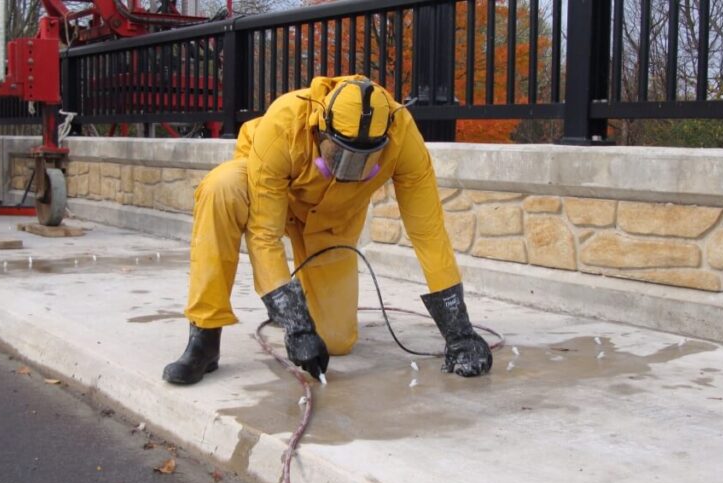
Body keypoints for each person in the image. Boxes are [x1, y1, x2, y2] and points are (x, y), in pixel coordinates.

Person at [164, 75, 492, 385]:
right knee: (221, 187)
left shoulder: (404, 136)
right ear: (320, 127)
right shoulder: (284, 121)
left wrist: (459, 332)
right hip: (271, 198)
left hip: (332, 224)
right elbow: (264, 233)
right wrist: (296, 325)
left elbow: (428, 232)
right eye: (340, 153)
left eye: (363, 159)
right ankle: (205, 336)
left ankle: (287, 299)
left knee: (335, 341)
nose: (347, 169)